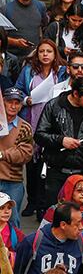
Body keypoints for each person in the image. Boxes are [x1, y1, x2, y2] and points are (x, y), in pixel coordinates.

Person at [34, 76, 83, 209]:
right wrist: (61, 140)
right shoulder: (54, 106)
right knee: (54, 216)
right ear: (75, 94)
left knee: (82, 217)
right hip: (57, 172)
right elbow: (39, 135)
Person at [14, 202, 83, 274]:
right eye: (77, 223)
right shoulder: (32, 242)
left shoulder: (82, 243)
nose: (81, 227)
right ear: (63, 225)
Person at [0, 88, 33, 228]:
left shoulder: (25, 127)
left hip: (12, 181)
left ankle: (14, 249)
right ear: (3, 102)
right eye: (9, 102)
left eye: (17, 103)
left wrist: (2, 154)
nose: (13, 106)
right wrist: (11, 151)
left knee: (12, 221)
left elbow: (24, 154)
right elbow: (17, 152)